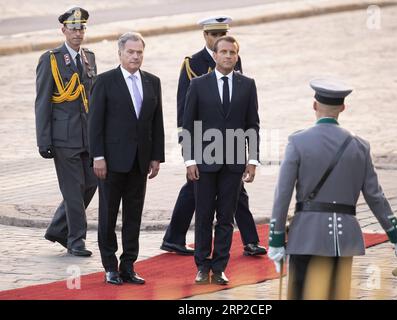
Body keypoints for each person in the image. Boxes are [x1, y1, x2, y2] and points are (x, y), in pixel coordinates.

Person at [268, 78, 397, 299]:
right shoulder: (360, 146)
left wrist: (276, 240)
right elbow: (376, 198)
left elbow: (282, 195)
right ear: (343, 108)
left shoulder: (298, 142)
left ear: (314, 105)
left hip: (306, 236)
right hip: (344, 239)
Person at [161, 15, 266, 257]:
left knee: (232, 191)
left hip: (230, 147)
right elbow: (184, 107)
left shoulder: (232, 58)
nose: (220, 39)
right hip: (203, 145)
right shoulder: (193, 63)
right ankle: (177, 237)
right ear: (206, 36)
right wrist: (186, 145)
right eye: (215, 35)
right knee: (199, 192)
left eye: (223, 34)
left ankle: (175, 237)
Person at [182, 36, 260, 285]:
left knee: (226, 218)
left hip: (234, 163)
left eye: (232, 52)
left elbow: (252, 125)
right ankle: (202, 267)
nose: (228, 56)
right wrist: (189, 160)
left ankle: (220, 267)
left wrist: (253, 159)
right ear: (214, 55)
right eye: (223, 52)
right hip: (204, 161)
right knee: (204, 215)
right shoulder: (198, 84)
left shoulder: (247, 85)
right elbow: (188, 125)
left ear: (237, 56)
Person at [88, 32, 165, 285]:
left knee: (134, 216)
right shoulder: (105, 81)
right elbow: (95, 124)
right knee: (108, 216)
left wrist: (156, 157)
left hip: (140, 162)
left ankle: (128, 265)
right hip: (110, 162)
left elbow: (157, 123)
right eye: (130, 52)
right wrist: (97, 157)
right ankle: (110, 266)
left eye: (139, 52)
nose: (135, 56)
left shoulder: (153, 82)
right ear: (120, 53)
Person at [35, 6, 97, 257]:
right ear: (63, 30)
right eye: (73, 28)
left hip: (87, 136)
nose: (78, 33)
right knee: (73, 190)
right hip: (64, 138)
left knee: (91, 184)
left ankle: (59, 228)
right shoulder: (50, 59)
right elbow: (42, 102)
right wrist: (44, 140)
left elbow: (92, 98)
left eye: (81, 28)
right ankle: (76, 240)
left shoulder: (89, 57)